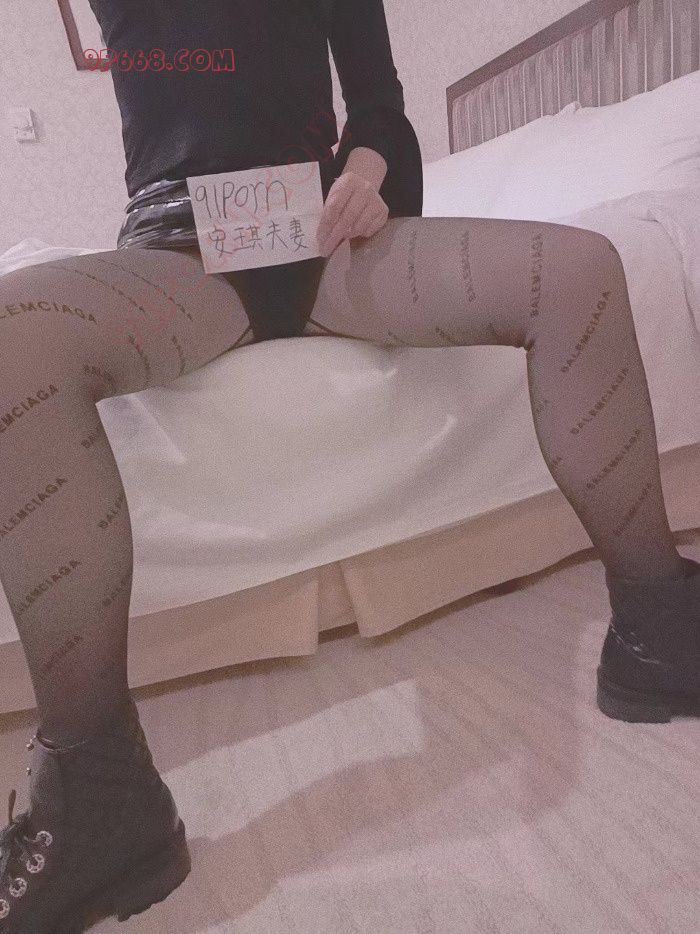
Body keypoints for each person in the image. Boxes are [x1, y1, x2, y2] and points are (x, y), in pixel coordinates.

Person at [0, 1, 698, 930]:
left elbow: (377, 103)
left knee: (579, 269)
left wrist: (368, 173)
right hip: (181, 255)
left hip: (327, 237)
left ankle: (657, 629)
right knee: (11, 341)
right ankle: (99, 792)